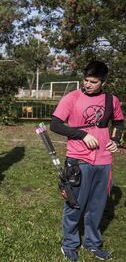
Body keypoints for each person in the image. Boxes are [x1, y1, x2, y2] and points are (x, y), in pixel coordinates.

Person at [50, 60, 124, 261]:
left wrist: (116, 139)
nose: (87, 84)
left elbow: (118, 122)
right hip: (78, 160)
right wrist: (82, 135)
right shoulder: (72, 98)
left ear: (103, 82)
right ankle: (70, 244)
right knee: (75, 204)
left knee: (97, 205)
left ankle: (92, 243)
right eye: (86, 80)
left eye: (93, 81)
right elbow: (55, 125)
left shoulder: (111, 100)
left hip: (103, 160)